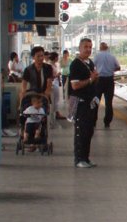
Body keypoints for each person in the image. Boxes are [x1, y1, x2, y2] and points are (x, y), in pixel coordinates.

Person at [69, 38, 100, 168]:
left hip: (90, 103)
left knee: (89, 131)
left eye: (90, 47)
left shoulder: (90, 63)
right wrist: (91, 79)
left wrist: (95, 80)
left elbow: (92, 81)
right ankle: (79, 159)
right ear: (80, 48)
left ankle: (86, 158)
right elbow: (75, 85)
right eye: (85, 47)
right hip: (80, 103)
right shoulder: (76, 64)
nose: (88, 49)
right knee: (80, 131)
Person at [93, 42, 121, 128]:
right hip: (109, 80)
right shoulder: (112, 56)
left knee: (96, 101)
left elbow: (92, 66)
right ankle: (107, 122)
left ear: (100, 48)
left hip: (99, 80)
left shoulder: (97, 56)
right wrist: (111, 69)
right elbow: (118, 67)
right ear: (107, 48)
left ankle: (93, 121)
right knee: (109, 102)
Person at [48, 51, 64, 120]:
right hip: (53, 83)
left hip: (56, 82)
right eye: (57, 57)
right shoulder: (50, 65)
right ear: (54, 58)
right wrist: (57, 75)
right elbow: (50, 76)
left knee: (56, 99)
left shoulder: (55, 64)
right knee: (54, 99)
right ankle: (55, 113)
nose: (58, 58)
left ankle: (56, 112)